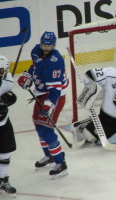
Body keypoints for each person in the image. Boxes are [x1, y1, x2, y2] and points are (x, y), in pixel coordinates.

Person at [17, 31, 69, 179]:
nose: (46, 47)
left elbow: (55, 90)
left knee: (46, 129)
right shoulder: (35, 50)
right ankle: (49, 156)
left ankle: (61, 163)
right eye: (44, 44)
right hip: (42, 93)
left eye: (49, 45)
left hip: (54, 95)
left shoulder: (55, 61)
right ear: (40, 43)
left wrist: (49, 105)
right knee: (38, 125)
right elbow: (35, 66)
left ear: (54, 45)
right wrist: (27, 76)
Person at [0, 56, 17, 196]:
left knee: (6, 152)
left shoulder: (7, 80)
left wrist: (10, 98)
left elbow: (8, 94)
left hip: (3, 121)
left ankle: (2, 180)